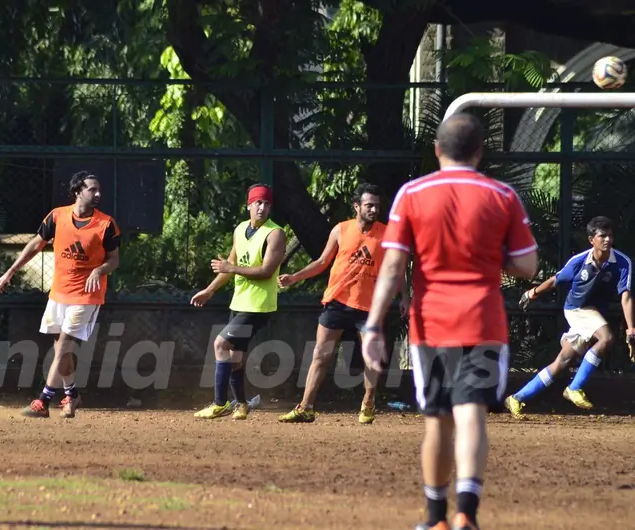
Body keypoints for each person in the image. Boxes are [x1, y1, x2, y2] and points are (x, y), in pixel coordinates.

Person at [361, 113, 538, 530]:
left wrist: (372, 325)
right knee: (472, 412)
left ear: (437, 150)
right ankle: (467, 515)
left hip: (431, 323)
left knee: (438, 419)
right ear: (479, 152)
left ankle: (436, 517)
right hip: (483, 321)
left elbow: (392, 268)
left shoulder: (411, 194)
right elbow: (528, 265)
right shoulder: (502, 195)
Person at [277, 182, 410, 424]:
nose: (373, 210)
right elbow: (321, 262)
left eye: (377, 206)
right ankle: (306, 407)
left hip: (369, 306)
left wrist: (405, 297)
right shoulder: (340, 230)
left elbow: (396, 269)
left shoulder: (387, 233)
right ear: (356, 206)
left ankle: (368, 402)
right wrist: (295, 277)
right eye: (369, 205)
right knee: (320, 354)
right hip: (337, 301)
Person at [0, 171, 120, 419]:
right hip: (58, 293)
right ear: (77, 192)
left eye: (98, 189)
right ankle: (72, 394)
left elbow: (114, 260)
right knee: (62, 350)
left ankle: (43, 400)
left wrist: (99, 269)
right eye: (92, 189)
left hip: (87, 295)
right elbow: (35, 244)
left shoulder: (106, 224)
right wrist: (9, 273)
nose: (98, 194)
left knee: (63, 346)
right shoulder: (57, 216)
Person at [505, 216, 634, 419]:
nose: (608, 239)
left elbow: (625, 297)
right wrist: (532, 293)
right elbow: (555, 280)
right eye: (602, 235)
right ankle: (574, 387)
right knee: (607, 337)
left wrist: (631, 329)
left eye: (610, 235)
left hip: (593, 314)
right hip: (575, 309)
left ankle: (517, 397)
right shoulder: (579, 261)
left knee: (563, 360)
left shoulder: (622, 262)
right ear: (592, 239)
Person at [190, 184, 286, 420]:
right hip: (240, 303)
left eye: (266, 204)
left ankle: (219, 403)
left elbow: (266, 271)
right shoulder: (240, 229)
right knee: (235, 358)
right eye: (258, 203)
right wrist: (209, 290)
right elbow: (229, 267)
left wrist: (230, 267)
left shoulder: (276, 233)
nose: (262, 208)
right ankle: (241, 404)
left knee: (220, 345)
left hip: (259, 306)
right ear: (249, 206)